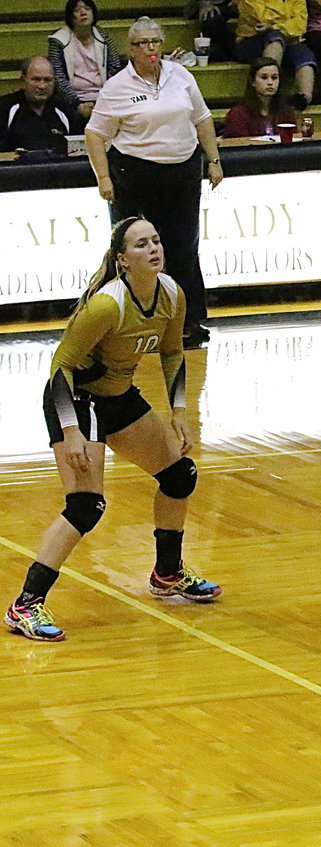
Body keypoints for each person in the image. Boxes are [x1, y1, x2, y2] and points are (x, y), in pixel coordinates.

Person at [5, 217, 222, 643]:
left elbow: (173, 352)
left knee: (180, 476)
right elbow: (60, 367)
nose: (153, 248)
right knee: (86, 505)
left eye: (156, 240)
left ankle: (168, 573)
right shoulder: (107, 305)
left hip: (118, 397)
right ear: (122, 259)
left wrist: (179, 411)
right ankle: (25, 604)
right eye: (141, 244)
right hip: (77, 399)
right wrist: (71, 431)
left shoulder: (172, 294)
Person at [84, 17, 223, 350]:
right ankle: (127, 322)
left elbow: (202, 118)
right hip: (135, 175)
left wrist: (214, 161)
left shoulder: (181, 76)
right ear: (131, 49)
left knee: (183, 247)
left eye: (155, 42)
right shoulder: (117, 87)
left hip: (183, 171)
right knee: (135, 252)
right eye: (142, 43)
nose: (150, 49)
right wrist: (103, 178)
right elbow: (95, 133)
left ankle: (188, 321)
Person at [47, 0, 124, 120]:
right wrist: (77, 104)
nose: (83, 13)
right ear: (70, 16)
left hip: (104, 98)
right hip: (71, 101)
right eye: (77, 10)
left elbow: (115, 69)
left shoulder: (104, 37)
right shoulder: (58, 40)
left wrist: (106, 99)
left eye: (87, 9)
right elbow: (58, 77)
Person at [235, 0, 316, 110]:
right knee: (275, 39)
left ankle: (302, 100)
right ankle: (266, 97)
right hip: (251, 40)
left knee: (305, 56)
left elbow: (301, 24)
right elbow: (261, 19)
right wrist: (287, 24)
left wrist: (275, 26)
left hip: (288, 41)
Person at [0, 56, 81, 154]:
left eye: (47, 80)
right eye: (36, 79)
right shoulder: (4, 108)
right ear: (23, 80)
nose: (42, 86)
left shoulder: (66, 110)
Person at [220, 56, 297, 137]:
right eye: (264, 77)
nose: (270, 82)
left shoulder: (286, 112)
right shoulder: (238, 114)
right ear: (252, 81)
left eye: (274, 78)